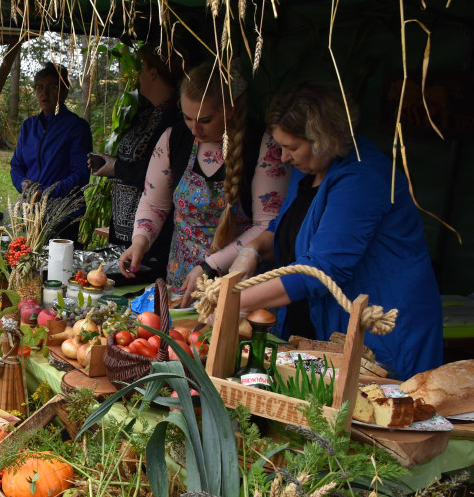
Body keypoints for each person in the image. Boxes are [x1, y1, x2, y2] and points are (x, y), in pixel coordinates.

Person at [228, 83, 442, 380]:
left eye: (292, 148)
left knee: (376, 413)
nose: (285, 157)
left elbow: (320, 270)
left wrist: (235, 301)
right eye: (281, 147)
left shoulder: (364, 177)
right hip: (324, 326)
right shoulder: (310, 169)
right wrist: (250, 252)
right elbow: (284, 229)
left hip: (383, 331)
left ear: (323, 139)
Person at [119, 63, 290, 305]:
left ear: (230, 110)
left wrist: (211, 266)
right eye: (188, 118)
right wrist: (140, 241)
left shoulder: (264, 145)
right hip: (181, 282)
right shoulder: (174, 138)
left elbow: (266, 225)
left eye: (205, 120)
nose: (194, 128)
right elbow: (154, 202)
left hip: (238, 285)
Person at [90, 46, 185, 282]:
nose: (139, 77)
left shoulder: (174, 118)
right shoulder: (146, 112)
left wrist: (117, 168)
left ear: (153, 72)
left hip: (151, 237)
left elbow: (161, 177)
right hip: (127, 229)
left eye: (142, 69)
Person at [9, 62, 92, 200]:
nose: (44, 93)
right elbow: (17, 166)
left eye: (52, 87)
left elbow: (81, 174)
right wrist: (22, 183)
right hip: (31, 206)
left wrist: (46, 192)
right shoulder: (28, 126)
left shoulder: (76, 127)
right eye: (39, 87)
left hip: (64, 209)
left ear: (64, 92)